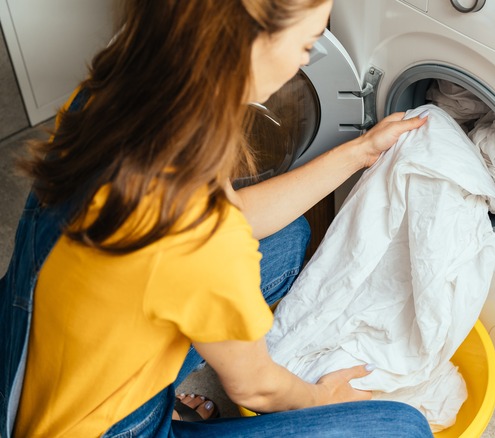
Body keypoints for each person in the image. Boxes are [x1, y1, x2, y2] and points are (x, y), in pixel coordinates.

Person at [0, 0, 432, 436]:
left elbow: (230, 219)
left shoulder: (111, 93)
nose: (307, 58)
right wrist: (324, 398)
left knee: (289, 238)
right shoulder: (196, 229)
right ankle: (154, 415)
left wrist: (360, 151)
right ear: (245, 43)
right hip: (97, 429)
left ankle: (154, 395)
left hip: (27, 356)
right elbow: (256, 389)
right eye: (306, 43)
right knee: (401, 427)